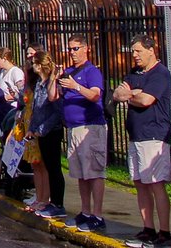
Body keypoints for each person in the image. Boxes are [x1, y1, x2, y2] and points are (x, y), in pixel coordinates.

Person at [115, 35, 171, 247]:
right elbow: (117, 93)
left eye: (138, 51)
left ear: (151, 50)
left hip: (154, 135)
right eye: (133, 51)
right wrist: (133, 93)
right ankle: (148, 227)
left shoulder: (160, 74)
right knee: (140, 183)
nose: (135, 55)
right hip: (135, 134)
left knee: (155, 184)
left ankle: (164, 232)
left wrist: (130, 95)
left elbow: (147, 100)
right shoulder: (134, 73)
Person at [59, 36, 108, 231]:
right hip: (73, 128)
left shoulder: (91, 71)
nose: (72, 52)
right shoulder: (69, 72)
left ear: (86, 49)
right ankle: (85, 211)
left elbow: (95, 95)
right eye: (70, 49)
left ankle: (97, 214)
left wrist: (76, 87)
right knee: (81, 174)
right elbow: (56, 96)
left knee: (94, 172)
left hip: (90, 128)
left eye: (76, 48)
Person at [26, 47, 68, 219]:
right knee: (43, 165)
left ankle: (57, 202)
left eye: (35, 63)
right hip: (39, 131)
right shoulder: (39, 84)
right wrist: (32, 128)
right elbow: (37, 109)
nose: (33, 66)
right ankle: (45, 200)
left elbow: (57, 111)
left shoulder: (53, 83)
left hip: (51, 131)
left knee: (54, 168)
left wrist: (43, 129)